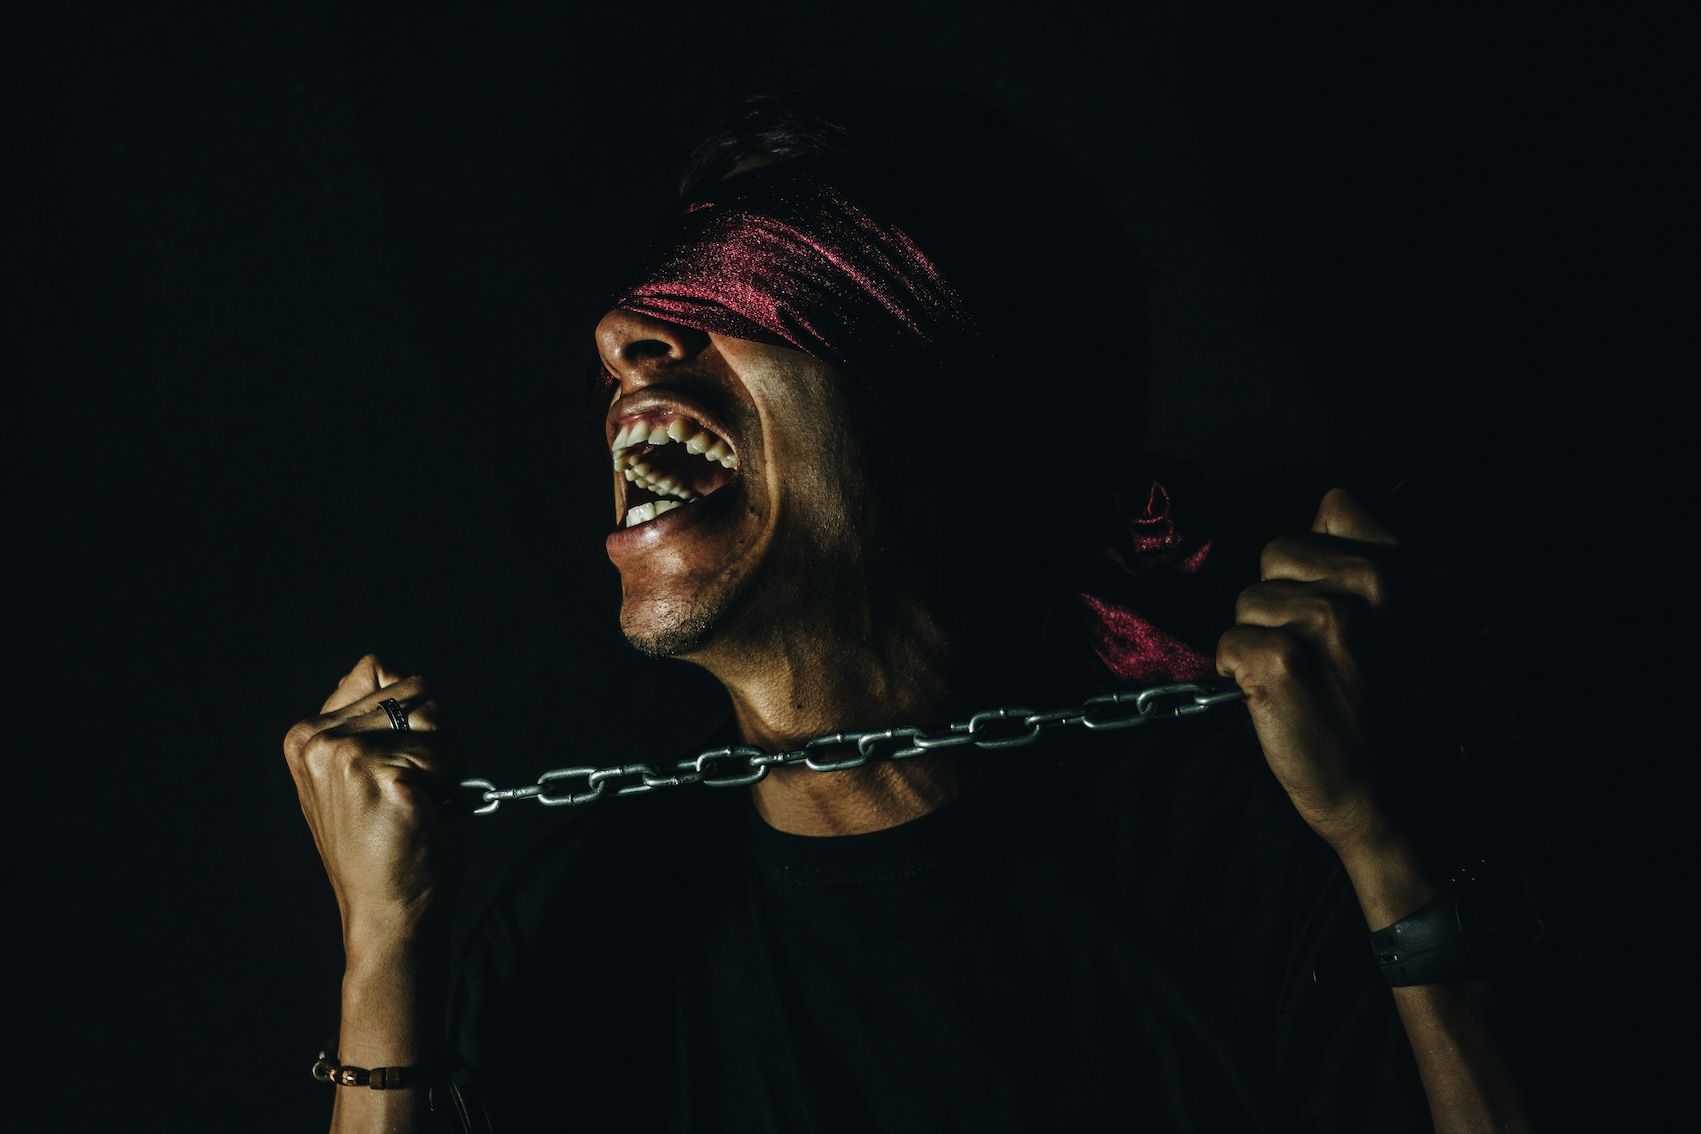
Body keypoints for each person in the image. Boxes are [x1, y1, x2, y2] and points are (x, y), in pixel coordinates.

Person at [284, 85, 1545, 1131]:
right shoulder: (579, 935)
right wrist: (387, 958)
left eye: (738, 291)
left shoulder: (1260, 853)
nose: (625, 337)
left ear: (944, 413)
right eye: (651, 305)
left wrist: (1393, 850)